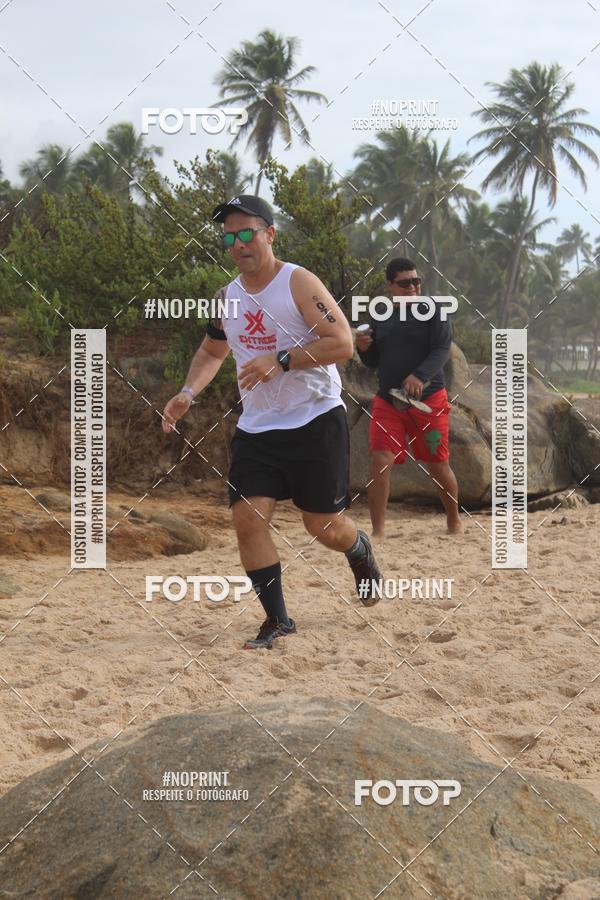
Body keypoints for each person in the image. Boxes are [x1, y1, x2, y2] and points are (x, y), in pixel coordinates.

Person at [162, 194, 383, 649]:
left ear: (270, 234)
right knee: (247, 518)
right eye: (229, 238)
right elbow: (212, 352)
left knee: (323, 526)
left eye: (247, 233)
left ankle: (358, 548)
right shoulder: (228, 297)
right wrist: (187, 392)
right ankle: (277, 620)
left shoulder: (298, 282)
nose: (238, 244)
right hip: (258, 427)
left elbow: (342, 342)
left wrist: (281, 360)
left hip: (315, 418)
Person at [355, 256, 462, 537]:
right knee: (380, 460)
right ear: (390, 286)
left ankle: (454, 522)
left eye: (416, 281)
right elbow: (373, 361)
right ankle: (378, 532)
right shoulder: (381, 315)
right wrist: (364, 348)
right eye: (404, 283)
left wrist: (420, 376)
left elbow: (442, 349)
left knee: (438, 464)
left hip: (429, 401)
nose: (412, 287)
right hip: (388, 400)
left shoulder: (435, 311)